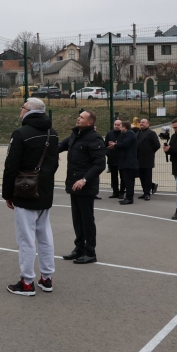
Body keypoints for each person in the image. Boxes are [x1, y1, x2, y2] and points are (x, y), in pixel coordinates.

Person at [2, 97, 59, 295]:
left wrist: (7, 194)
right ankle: (47, 278)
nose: (20, 110)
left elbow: (11, 166)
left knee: (26, 238)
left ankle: (27, 282)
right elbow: (54, 163)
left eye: (23, 107)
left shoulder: (21, 134)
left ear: (30, 111)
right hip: (45, 191)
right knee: (45, 236)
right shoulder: (53, 133)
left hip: (25, 191)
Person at [58, 110, 106, 264]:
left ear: (90, 123)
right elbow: (60, 145)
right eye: (78, 116)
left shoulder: (95, 138)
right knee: (77, 219)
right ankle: (79, 249)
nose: (78, 118)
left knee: (87, 220)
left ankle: (90, 252)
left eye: (82, 117)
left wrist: (84, 179)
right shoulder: (75, 134)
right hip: (73, 184)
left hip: (85, 186)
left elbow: (99, 164)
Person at [111, 121, 138, 205]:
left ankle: (129, 198)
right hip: (125, 161)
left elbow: (125, 144)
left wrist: (115, 145)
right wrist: (116, 144)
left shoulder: (130, 133)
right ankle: (128, 197)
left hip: (128, 162)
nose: (119, 128)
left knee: (129, 181)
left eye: (121, 126)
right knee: (127, 180)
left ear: (125, 127)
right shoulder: (126, 134)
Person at [136, 119, 160, 200]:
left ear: (148, 124)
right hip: (138, 159)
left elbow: (157, 145)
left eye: (143, 122)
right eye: (141, 122)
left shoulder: (151, 133)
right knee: (141, 177)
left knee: (147, 177)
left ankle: (147, 193)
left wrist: (150, 151)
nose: (141, 123)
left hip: (147, 159)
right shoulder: (138, 133)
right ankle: (144, 192)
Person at [105, 120, 125, 198]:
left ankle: (122, 192)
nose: (116, 126)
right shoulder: (109, 134)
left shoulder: (124, 134)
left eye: (118, 125)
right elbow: (105, 145)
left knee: (123, 176)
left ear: (121, 125)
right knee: (114, 176)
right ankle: (115, 192)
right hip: (112, 159)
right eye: (115, 125)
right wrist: (108, 153)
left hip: (122, 159)